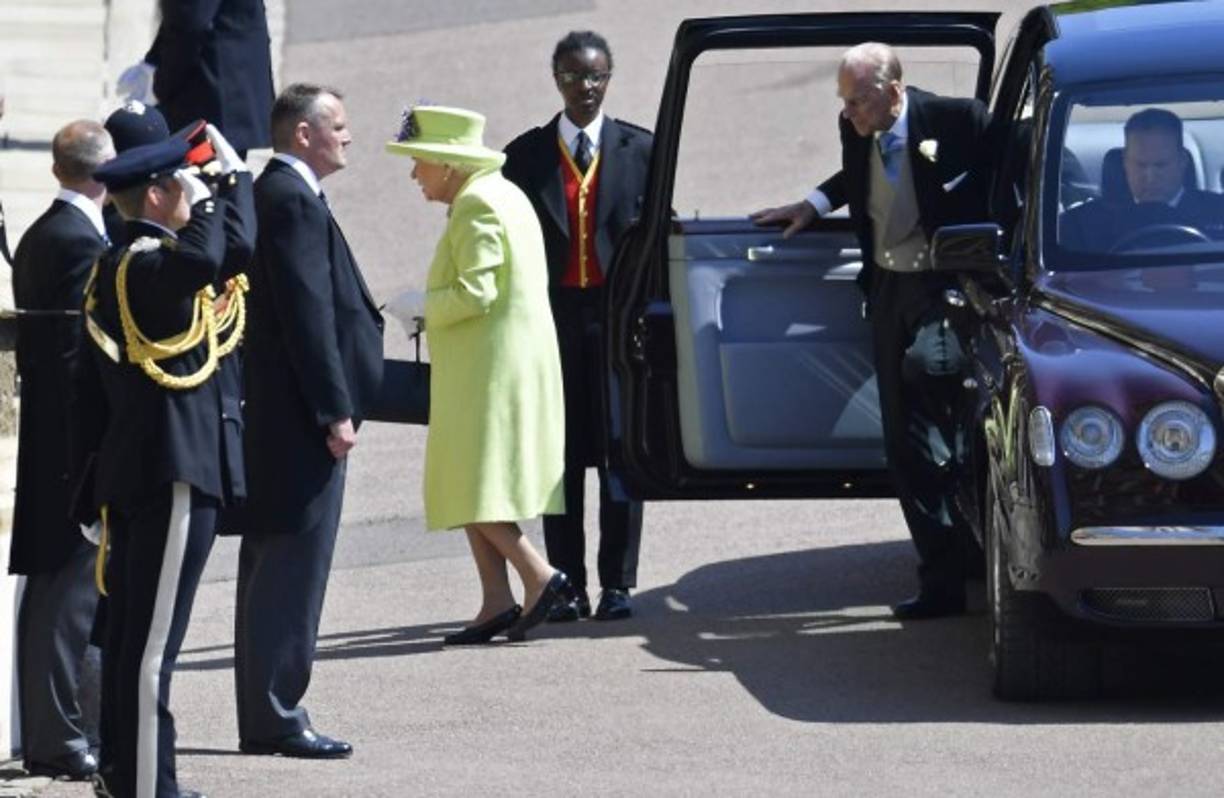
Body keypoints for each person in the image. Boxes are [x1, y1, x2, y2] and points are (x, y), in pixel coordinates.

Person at [751, 42, 993, 620]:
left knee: (932, 377)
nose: (850, 114)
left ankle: (973, 534)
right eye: (846, 102)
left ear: (893, 91)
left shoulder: (955, 120)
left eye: (858, 101)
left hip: (942, 288)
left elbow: (1008, 166)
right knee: (902, 445)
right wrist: (814, 203)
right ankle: (941, 580)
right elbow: (859, 172)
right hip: (888, 291)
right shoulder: (857, 126)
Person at [79, 119, 253, 798]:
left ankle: (130, 775)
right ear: (156, 196)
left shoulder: (124, 265)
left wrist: (227, 183)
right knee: (150, 649)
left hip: (141, 470)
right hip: (172, 474)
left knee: (132, 640)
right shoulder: (151, 268)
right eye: (176, 186)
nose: (188, 195)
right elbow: (207, 259)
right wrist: (209, 195)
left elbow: (232, 252)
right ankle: (149, 787)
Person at [234, 83, 383, 759]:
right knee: (292, 569)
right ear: (303, 134)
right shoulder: (290, 199)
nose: (348, 137)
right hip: (298, 422)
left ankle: (268, 709)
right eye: (339, 126)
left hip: (282, 419)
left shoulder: (285, 194)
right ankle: (276, 711)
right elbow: (307, 315)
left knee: (276, 567)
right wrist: (335, 409)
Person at [384, 104, 568, 645]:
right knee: (468, 478)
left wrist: (421, 306)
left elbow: (476, 292)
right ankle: (495, 599)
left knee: (469, 483)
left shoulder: (478, 204)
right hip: (489, 366)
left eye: (419, 161)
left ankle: (538, 575)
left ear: (447, 162)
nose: (414, 174)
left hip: (489, 371)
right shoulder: (496, 193)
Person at [502, 30, 651, 622]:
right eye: (572, 76)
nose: (584, 88)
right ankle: (567, 583)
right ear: (555, 78)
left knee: (621, 452)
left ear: (608, 78)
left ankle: (618, 584)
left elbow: (653, 238)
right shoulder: (526, 156)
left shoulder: (640, 149)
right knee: (559, 459)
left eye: (594, 77)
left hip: (616, 323)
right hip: (552, 321)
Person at [8, 119, 114, 782]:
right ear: (102, 175)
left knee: (60, 591)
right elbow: (81, 360)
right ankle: (58, 737)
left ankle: (62, 731)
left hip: (56, 445)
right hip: (72, 451)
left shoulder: (48, 231)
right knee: (66, 595)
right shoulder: (76, 241)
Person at [118, 0, 274, 156]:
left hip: (212, 95)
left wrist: (160, 84)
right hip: (224, 87)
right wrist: (152, 61)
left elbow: (190, 21)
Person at [1060, 108, 1224, 251]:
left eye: (1160, 165)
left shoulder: (1219, 214)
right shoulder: (1081, 227)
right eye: (1140, 165)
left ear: (1182, 162)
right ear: (1124, 163)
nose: (1150, 177)